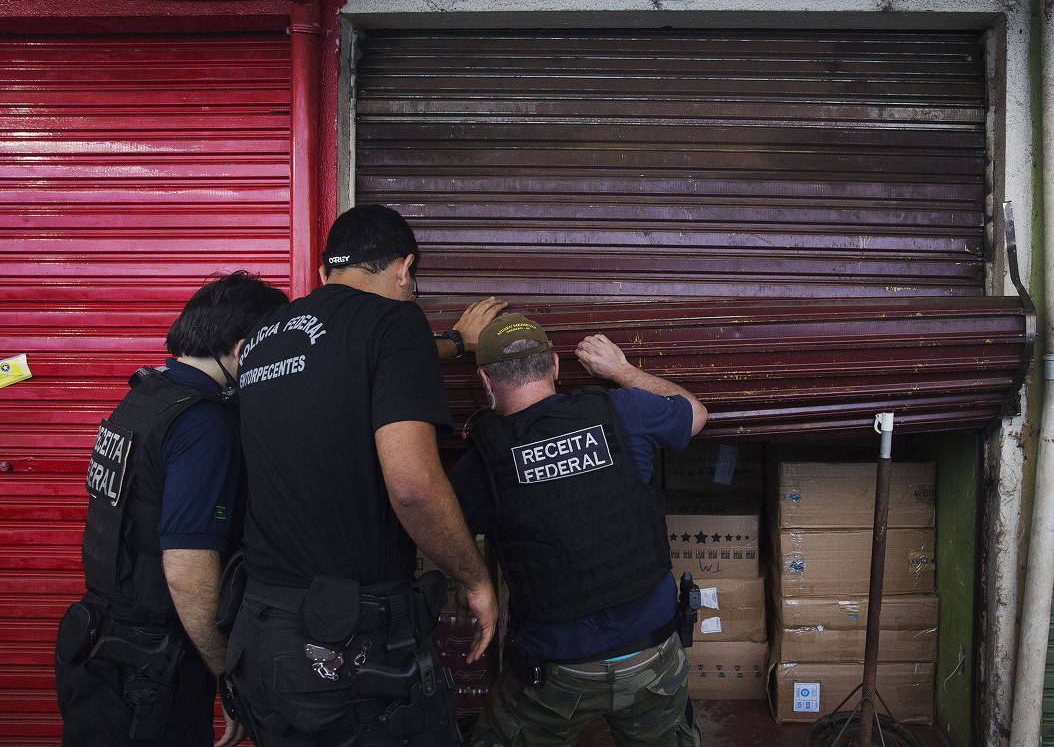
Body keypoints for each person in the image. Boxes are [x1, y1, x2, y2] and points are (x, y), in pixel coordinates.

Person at [227, 204, 501, 745]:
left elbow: (344, 366)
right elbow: (414, 488)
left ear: (325, 272)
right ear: (404, 269)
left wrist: (449, 344)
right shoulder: (395, 321)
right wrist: (475, 580)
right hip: (345, 651)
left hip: (263, 632)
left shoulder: (264, 338)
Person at [450, 313, 708, 747]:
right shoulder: (623, 409)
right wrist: (622, 371)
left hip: (555, 674)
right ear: (555, 365)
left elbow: (433, 523)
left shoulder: (484, 462)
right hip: (653, 655)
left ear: (485, 381)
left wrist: (475, 582)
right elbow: (697, 413)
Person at [54, 271, 288, 747]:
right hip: (150, 668)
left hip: (98, 645)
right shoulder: (203, 423)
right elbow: (186, 566)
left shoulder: (147, 395)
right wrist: (227, 673)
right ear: (245, 350)